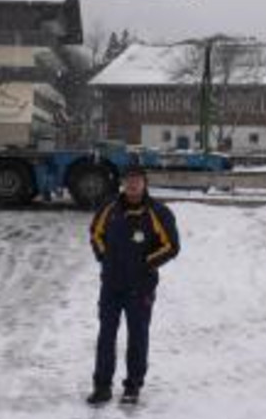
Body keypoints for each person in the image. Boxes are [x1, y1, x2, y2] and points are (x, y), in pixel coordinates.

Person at [87, 166, 180, 406]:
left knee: (137, 337)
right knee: (106, 335)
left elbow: (171, 246)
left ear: (145, 183)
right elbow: (96, 234)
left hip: (141, 288)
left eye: (137, 180)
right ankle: (102, 386)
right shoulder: (109, 208)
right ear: (123, 183)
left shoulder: (158, 212)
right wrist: (104, 257)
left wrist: (146, 264)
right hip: (111, 286)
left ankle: (133, 386)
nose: (132, 185)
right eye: (129, 180)